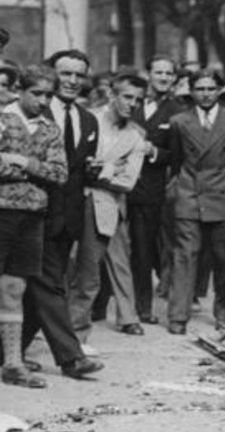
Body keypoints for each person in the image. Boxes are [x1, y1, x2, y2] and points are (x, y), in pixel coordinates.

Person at [21, 49, 104, 375]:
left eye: (79, 75)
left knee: (35, 289)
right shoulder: (33, 112)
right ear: (51, 74)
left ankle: (7, 354)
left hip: (67, 218)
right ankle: (71, 357)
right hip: (32, 212)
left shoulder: (88, 119)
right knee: (50, 283)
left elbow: (78, 172)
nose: (72, 81)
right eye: (66, 73)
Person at [166, 69, 225, 335]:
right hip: (189, 194)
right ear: (191, 92)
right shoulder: (179, 122)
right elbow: (176, 160)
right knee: (184, 257)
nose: (205, 94)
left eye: (211, 89)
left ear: (220, 91)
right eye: (200, 89)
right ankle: (178, 316)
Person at [0, 65, 68, 388]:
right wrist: (29, 171)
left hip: (32, 217)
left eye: (48, 95)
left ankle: (12, 363)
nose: (42, 101)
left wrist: (22, 163)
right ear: (20, 90)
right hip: (1, 213)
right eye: (36, 93)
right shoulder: (3, 117)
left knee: (15, 289)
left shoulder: (50, 129)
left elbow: (60, 174)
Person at [67, 73, 147, 343]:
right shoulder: (87, 118)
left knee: (90, 275)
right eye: (127, 96)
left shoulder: (136, 136)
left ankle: (77, 338)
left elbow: (128, 182)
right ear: (112, 95)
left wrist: (102, 170)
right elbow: (73, 161)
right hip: (69, 200)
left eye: (138, 100)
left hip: (104, 206)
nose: (132, 104)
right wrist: (112, 167)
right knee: (59, 269)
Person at [127, 56, 186, 325]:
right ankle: (99, 305)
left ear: (174, 79)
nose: (163, 77)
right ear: (148, 73)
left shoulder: (178, 112)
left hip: (150, 188)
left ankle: (143, 307)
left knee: (144, 247)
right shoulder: (132, 101)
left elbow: (177, 155)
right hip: (116, 183)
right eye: (158, 72)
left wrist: (154, 152)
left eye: (168, 73)